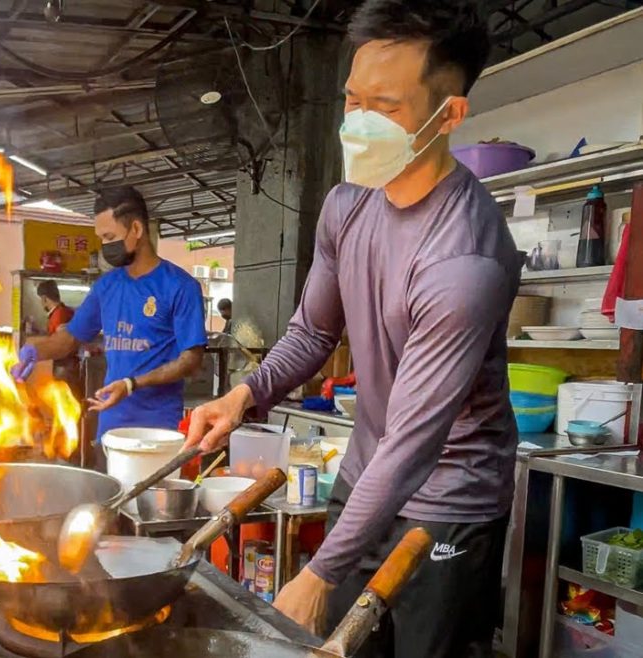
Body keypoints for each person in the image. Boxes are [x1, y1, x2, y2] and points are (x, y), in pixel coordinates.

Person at [184, 2, 518, 655]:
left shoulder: (464, 262)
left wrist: (320, 573)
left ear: (450, 114)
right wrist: (244, 396)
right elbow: (312, 333)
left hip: (450, 499)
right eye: (353, 100)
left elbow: (414, 444)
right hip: (367, 475)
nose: (359, 123)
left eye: (385, 107)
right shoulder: (347, 204)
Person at [13, 186, 207, 470]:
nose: (105, 247)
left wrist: (133, 384)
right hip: (111, 432)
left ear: (136, 229)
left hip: (158, 434)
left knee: (150, 499)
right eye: (101, 238)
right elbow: (69, 339)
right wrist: (33, 351)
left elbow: (191, 359)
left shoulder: (180, 286)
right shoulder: (106, 287)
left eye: (109, 237)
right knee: (109, 498)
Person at [36, 279, 79, 396]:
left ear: (44, 299)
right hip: (66, 364)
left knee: (64, 397)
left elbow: (60, 342)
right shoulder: (63, 312)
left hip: (65, 366)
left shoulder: (59, 315)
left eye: (41, 299)